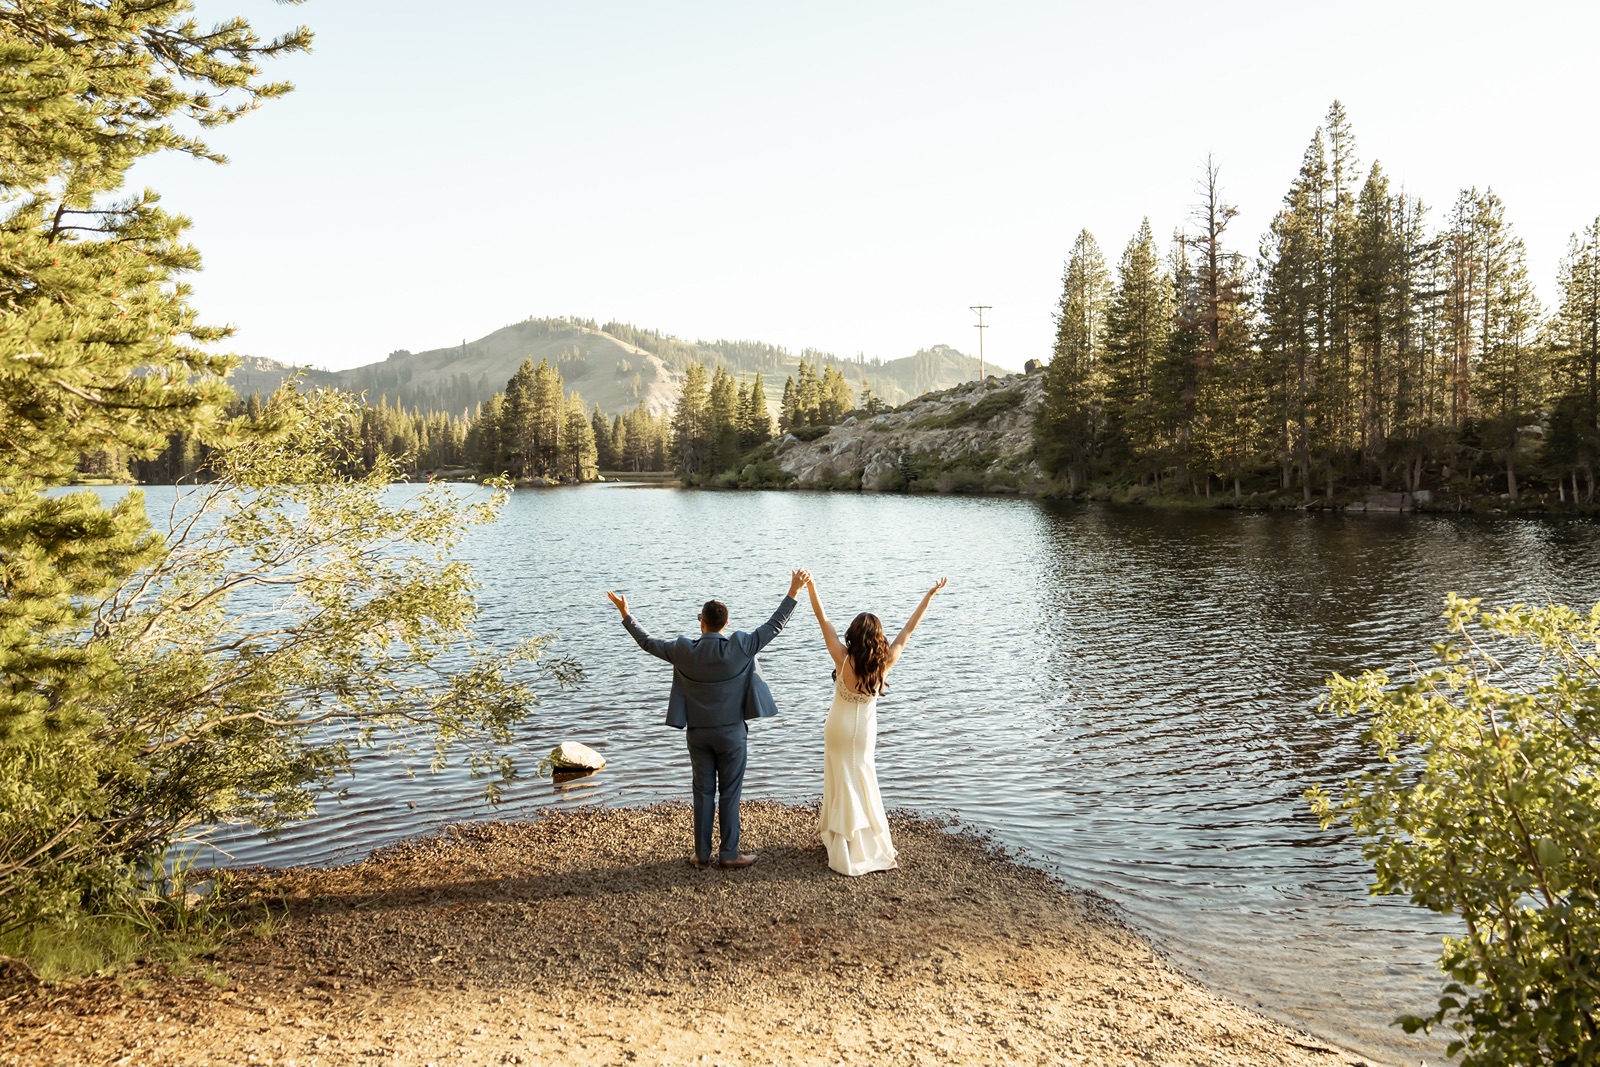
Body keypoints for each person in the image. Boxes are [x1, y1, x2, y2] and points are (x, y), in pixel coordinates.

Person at [606, 569, 809, 870]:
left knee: (702, 792)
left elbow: (646, 643)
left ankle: (702, 855)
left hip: (698, 733)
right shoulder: (740, 645)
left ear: (701, 622)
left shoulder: (682, 650)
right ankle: (729, 854)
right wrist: (794, 590)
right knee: (730, 792)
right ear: (726, 624)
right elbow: (774, 625)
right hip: (732, 735)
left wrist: (626, 613)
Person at [803, 575, 947, 876]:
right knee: (864, 778)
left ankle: (840, 840)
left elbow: (822, 617)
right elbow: (908, 629)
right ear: (878, 638)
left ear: (853, 635)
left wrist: (812, 587)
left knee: (840, 779)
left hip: (837, 729)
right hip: (865, 733)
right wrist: (929, 596)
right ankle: (864, 840)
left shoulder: (842, 658)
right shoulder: (885, 662)